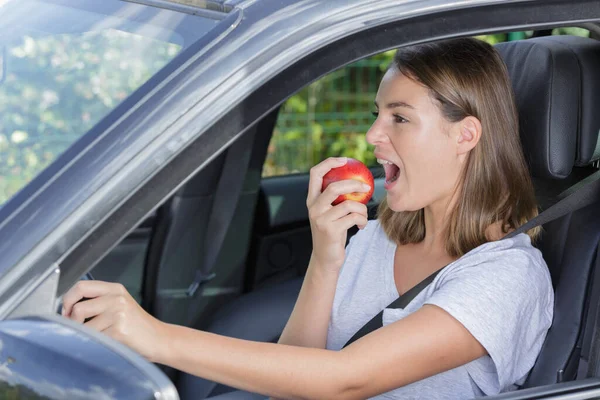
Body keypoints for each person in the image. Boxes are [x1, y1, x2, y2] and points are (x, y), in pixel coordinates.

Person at [61, 37, 553, 399]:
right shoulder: (380, 235)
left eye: (399, 118)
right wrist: (325, 258)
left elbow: (346, 379)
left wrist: (157, 338)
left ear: (465, 136)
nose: (373, 134)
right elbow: (298, 376)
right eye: (378, 113)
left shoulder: (506, 276)